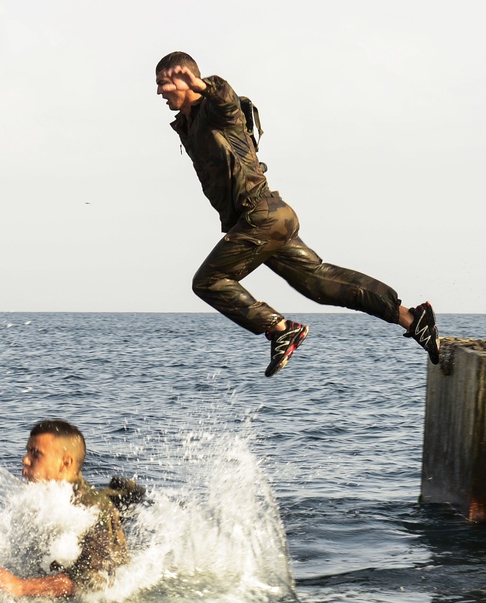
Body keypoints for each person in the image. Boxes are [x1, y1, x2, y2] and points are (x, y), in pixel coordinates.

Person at [154, 51, 440, 376]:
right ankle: (412, 318)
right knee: (319, 284)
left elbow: (228, 100)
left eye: (163, 83)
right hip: (264, 220)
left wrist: (205, 86)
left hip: (260, 215)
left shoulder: (217, 111)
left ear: (184, 80)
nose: (160, 91)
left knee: (208, 281)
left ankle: (280, 329)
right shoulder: (188, 125)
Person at [0, 419, 129, 597]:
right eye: (27, 451)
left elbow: (94, 582)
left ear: (66, 463)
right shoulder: (43, 498)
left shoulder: (92, 508)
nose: (25, 460)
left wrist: (21, 587)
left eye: (36, 454)